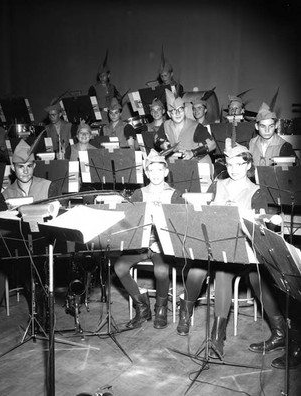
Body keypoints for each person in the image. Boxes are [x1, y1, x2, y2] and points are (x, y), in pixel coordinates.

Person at [176, 138, 267, 358]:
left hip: (240, 249)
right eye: (230, 165)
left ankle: (217, 336)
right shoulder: (218, 184)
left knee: (223, 273)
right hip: (213, 243)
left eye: (240, 164)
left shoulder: (257, 191)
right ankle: (185, 310)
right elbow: (202, 209)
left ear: (248, 165)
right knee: (197, 270)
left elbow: (261, 226)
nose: (234, 170)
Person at [0, 139, 61, 348]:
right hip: (15, 247)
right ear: (13, 168)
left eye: (29, 166)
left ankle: (41, 317)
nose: (25, 171)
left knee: (33, 269)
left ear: (34, 166)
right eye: (21, 167)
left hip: (42, 246)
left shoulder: (49, 187)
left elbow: (59, 220)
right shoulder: (5, 195)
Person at [114, 150, 184, 329]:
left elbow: (181, 224)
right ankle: (142, 306)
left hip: (163, 247)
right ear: (146, 173)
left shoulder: (174, 195)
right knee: (119, 267)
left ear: (166, 172)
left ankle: (161, 308)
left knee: (161, 271)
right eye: (151, 171)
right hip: (142, 244)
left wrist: (162, 243)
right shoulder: (139, 193)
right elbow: (131, 222)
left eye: (159, 170)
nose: (155, 175)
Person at [155, 89, 216, 166]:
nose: (177, 114)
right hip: (179, 164)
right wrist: (162, 144)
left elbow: (212, 145)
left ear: (185, 110)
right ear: (169, 114)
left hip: (199, 164)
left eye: (180, 110)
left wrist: (193, 152)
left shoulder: (196, 127)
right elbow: (156, 139)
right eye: (173, 111)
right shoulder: (165, 125)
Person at [88, 51, 121, 124]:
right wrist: (95, 118)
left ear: (109, 75)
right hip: (100, 116)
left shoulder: (112, 87)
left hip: (112, 116)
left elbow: (118, 100)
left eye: (104, 75)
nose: (102, 78)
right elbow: (91, 104)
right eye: (100, 76)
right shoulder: (93, 88)